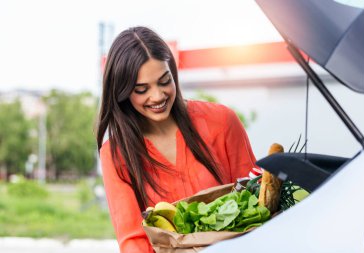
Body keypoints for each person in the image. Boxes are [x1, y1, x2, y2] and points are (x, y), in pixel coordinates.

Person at [96, 26, 261, 253]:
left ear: (173, 73)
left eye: (164, 81)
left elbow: (256, 205)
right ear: (122, 92)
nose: (157, 96)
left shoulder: (222, 122)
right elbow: (133, 242)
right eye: (142, 89)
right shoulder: (115, 155)